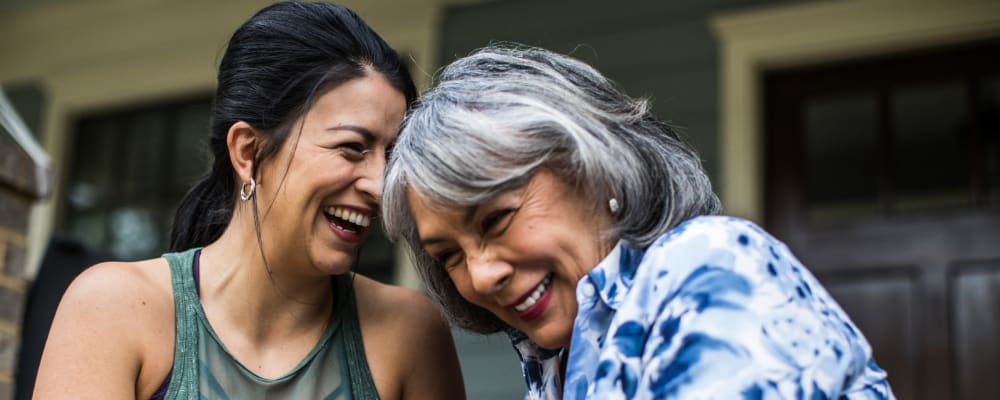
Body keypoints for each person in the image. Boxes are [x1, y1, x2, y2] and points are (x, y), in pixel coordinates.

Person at [382, 45, 895, 399]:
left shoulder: (708, 269)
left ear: (598, 168)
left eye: (496, 218)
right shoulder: (558, 355)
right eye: (448, 255)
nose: (480, 275)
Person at [34, 2, 464, 399]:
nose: (378, 185)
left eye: (390, 158)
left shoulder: (411, 333)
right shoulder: (113, 309)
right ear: (248, 151)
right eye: (352, 148)